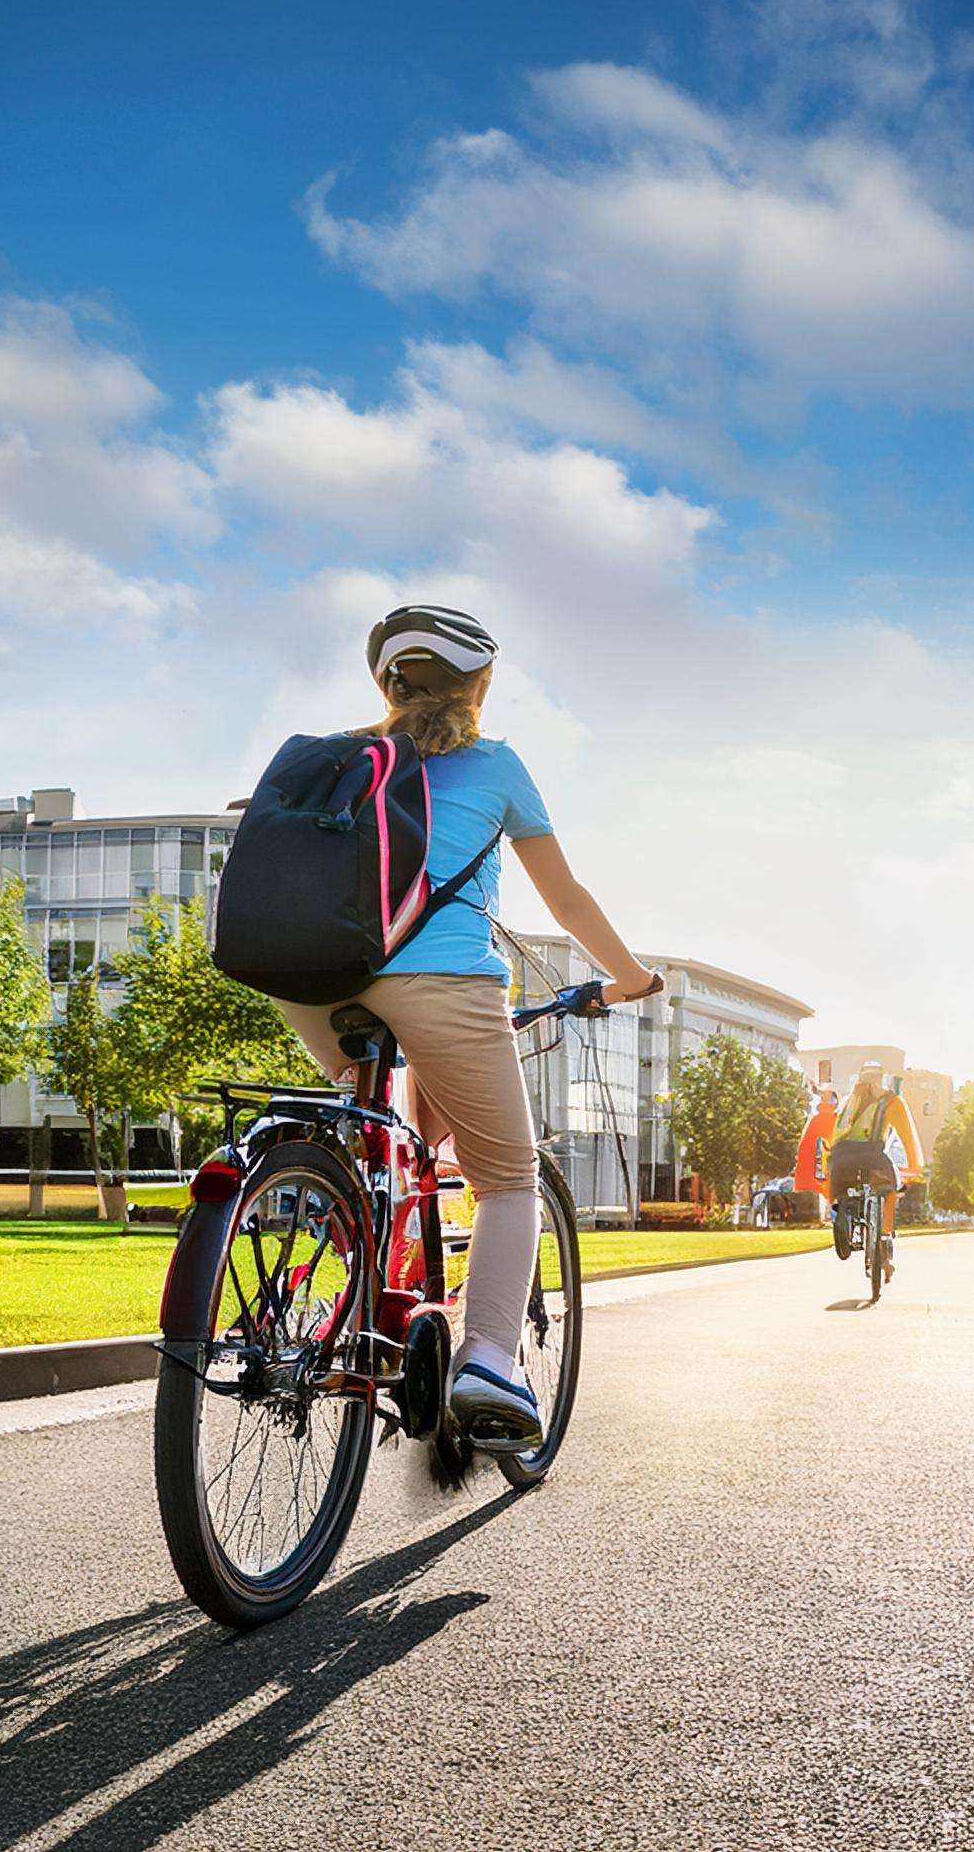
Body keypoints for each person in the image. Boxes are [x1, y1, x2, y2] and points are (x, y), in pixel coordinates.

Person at [274, 604, 662, 1444]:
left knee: (379, 1125)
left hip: (305, 975)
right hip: (440, 981)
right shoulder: (496, 763)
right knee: (507, 1177)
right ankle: (488, 1354)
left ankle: (359, 1282)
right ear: (480, 686)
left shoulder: (343, 759)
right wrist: (629, 977)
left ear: (385, 684)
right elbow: (566, 898)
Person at [795, 1063, 924, 1278]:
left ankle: (845, 1216)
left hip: (841, 1158)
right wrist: (913, 1167)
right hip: (872, 1156)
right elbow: (907, 1138)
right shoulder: (890, 1101)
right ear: (880, 1079)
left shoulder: (849, 1102)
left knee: (845, 1192)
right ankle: (883, 1239)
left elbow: (834, 1136)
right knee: (889, 1191)